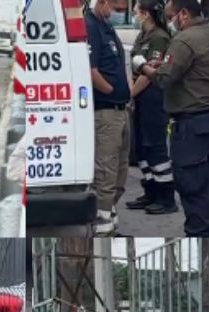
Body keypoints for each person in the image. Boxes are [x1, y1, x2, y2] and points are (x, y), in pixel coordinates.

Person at [140, 0, 209, 237]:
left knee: (193, 188)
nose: (171, 21)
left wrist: (144, 67)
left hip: (192, 127)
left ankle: (198, 234)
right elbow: (193, 68)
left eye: (171, 16)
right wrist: (165, 65)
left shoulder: (184, 40)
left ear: (184, 14)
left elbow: (163, 80)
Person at [125, 0, 178, 216]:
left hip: (153, 98)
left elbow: (149, 76)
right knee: (142, 147)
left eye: (137, 10)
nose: (135, 13)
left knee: (155, 147)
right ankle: (151, 191)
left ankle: (166, 197)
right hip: (141, 98)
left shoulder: (159, 38)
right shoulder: (143, 36)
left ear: (146, 14)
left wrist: (129, 95)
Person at [85, 0, 132, 235]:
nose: (120, 14)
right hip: (105, 110)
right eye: (118, 9)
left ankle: (110, 217)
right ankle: (102, 225)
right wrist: (111, 91)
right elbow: (90, 69)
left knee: (120, 169)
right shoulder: (91, 26)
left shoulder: (106, 26)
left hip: (120, 110)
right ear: (103, 2)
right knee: (106, 170)